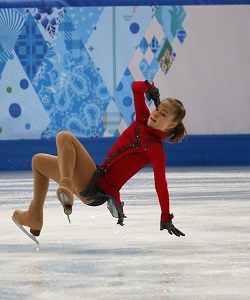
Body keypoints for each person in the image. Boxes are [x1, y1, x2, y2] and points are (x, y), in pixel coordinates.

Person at [12, 80, 186, 242]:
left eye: (163, 114)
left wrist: (165, 216)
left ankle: (65, 186)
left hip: (97, 188)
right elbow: (135, 87)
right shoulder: (142, 119)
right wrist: (148, 87)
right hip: (90, 179)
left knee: (65, 137)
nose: (156, 114)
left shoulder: (155, 149)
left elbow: (161, 184)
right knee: (38, 162)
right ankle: (34, 216)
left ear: (172, 125)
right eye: (157, 109)